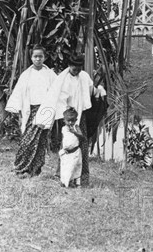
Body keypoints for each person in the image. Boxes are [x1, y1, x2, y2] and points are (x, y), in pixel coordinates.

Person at [35, 53, 106, 186]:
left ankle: (82, 178)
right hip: (68, 117)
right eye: (74, 69)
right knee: (67, 146)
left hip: (81, 115)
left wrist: (100, 91)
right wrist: (68, 118)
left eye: (79, 68)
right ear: (69, 66)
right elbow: (58, 99)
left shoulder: (84, 76)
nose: (77, 71)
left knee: (82, 145)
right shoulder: (63, 79)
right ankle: (62, 176)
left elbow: (91, 91)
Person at [5, 45, 57, 178]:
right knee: (27, 140)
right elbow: (19, 93)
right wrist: (19, 112)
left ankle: (34, 170)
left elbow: (57, 91)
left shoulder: (50, 75)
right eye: (35, 56)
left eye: (41, 56)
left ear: (45, 57)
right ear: (31, 57)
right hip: (30, 110)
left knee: (40, 142)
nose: (38, 59)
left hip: (45, 111)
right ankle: (20, 167)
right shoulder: (26, 75)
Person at [58, 107, 85, 187]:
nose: (70, 123)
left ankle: (76, 183)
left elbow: (82, 137)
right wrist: (63, 149)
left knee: (75, 167)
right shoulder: (63, 128)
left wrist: (75, 132)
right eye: (68, 121)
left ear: (76, 120)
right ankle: (65, 182)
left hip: (75, 152)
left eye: (72, 121)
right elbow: (64, 139)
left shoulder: (76, 127)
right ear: (64, 120)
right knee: (66, 167)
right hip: (67, 152)